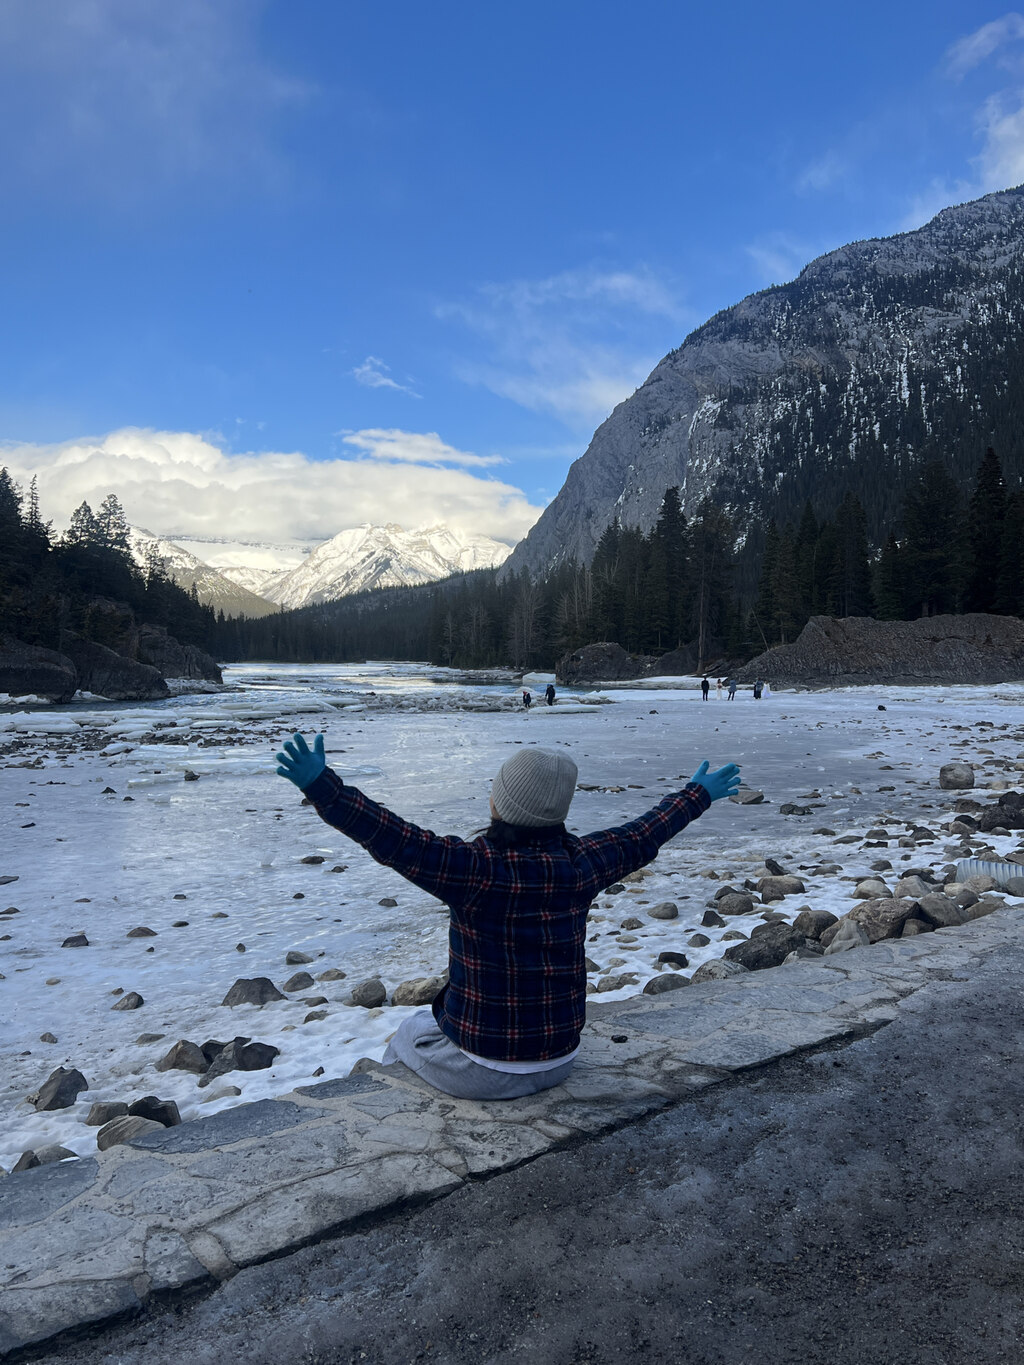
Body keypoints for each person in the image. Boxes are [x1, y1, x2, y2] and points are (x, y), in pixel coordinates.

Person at [275, 734, 741, 1101]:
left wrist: (323, 788)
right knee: (429, 1024)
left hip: (486, 1069)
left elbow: (393, 838)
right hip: (560, 1059)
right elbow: (645, 832)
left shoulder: (475, 869)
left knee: (407, 1034)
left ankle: (390, 1103)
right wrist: (697, 795)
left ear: (499, 802)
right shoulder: (583, 861)